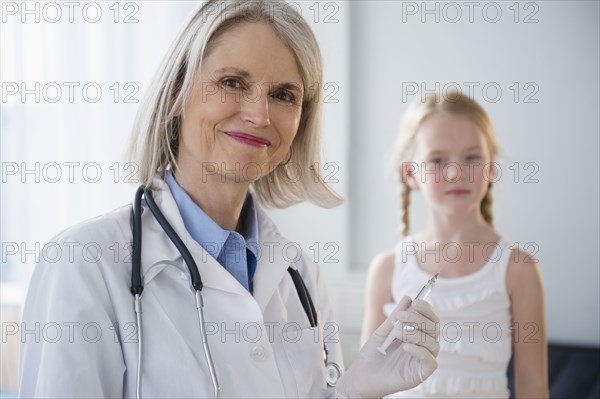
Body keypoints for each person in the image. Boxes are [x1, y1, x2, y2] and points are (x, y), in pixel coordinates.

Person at [19, 1, 440, 398]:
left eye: (283, 95)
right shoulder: (83, 263)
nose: (260, 115)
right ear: (176, 93)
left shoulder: (300, 275)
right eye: (232, 82)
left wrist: (353, 392)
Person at [361, 91, 549, 398]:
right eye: (437, 160)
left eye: (472, 157)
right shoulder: (386, 270)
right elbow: (367, 382)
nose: (455, 172)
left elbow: (533, 386)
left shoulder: (519, 269)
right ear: (411, 173)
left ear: (490, 168)